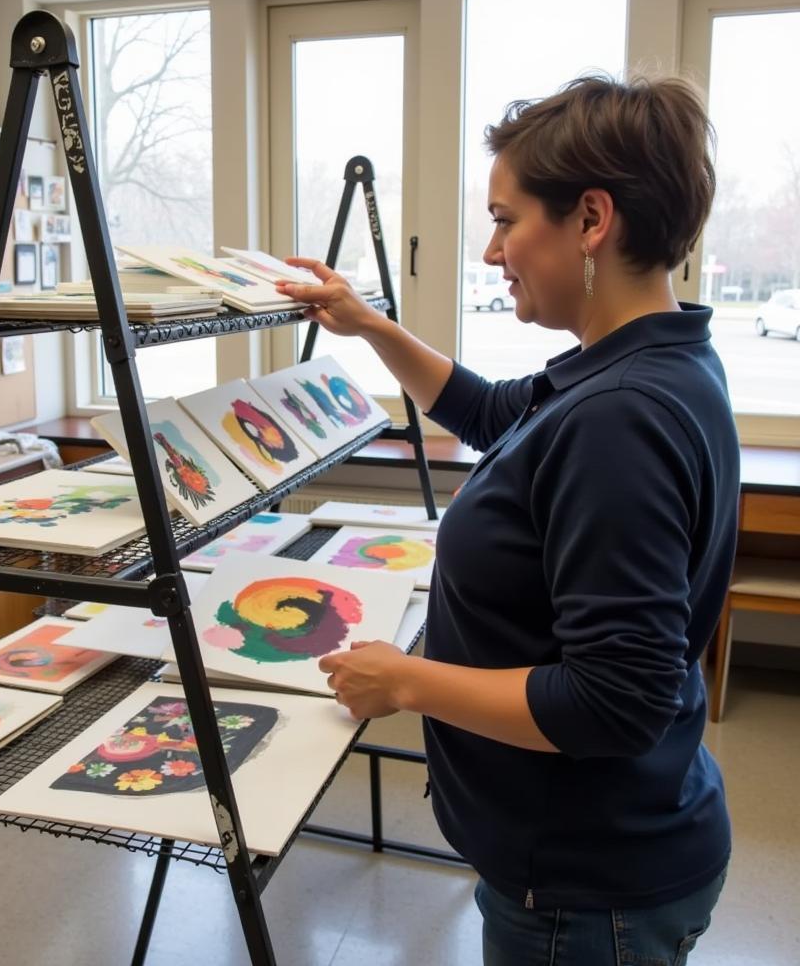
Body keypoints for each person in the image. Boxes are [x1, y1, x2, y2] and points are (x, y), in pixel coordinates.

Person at [275, 73, 738, 966]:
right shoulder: (640, 362)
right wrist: (369, 326)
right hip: (609, 845)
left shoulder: (621, 418)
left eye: (504, 219)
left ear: (591, 220)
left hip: (584, 885)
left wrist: (405, 681)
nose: (493, 252)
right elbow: (493, 413)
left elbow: (614, 701)